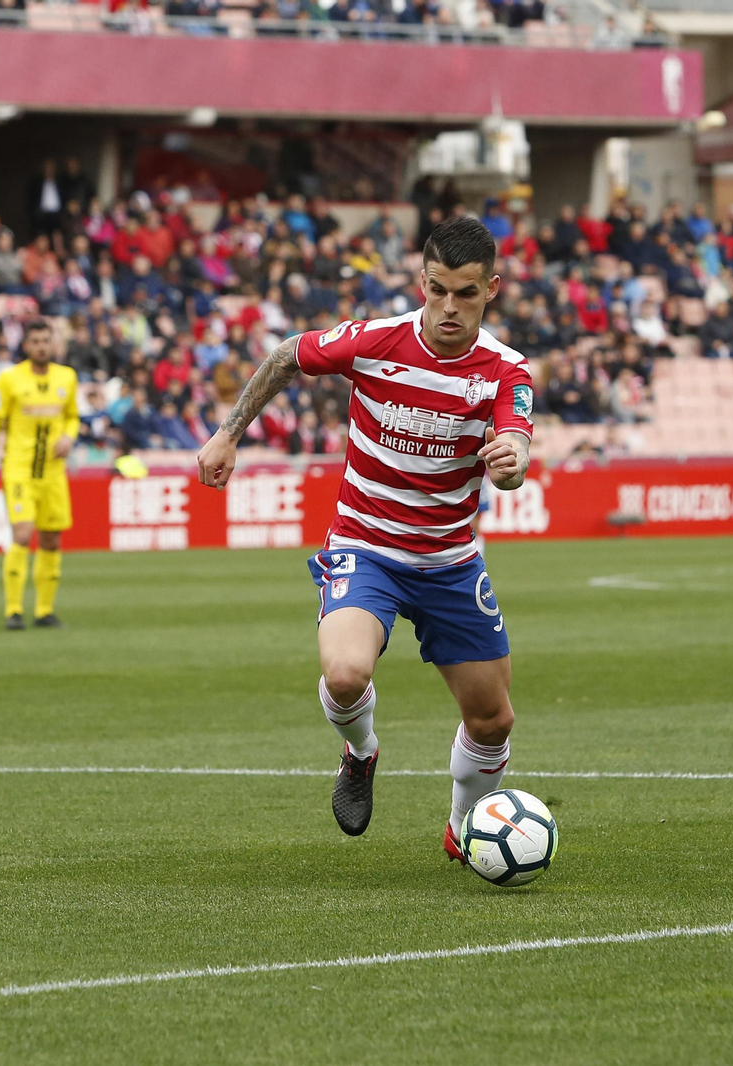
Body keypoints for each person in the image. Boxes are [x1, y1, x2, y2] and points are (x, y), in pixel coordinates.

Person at [195, 216, 535, 864]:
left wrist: (511, 460)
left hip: (449, 561)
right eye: (437, 289)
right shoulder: (376, 341)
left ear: (491, 288)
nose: (448, 308)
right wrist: (228, 432)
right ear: (421, 281)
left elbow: (514, 440)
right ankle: (361, 752)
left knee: (494, 720)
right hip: (367, 544)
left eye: (465, 293)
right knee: (346, 672)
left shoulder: (504, 370)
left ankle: (463, 827)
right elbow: (289, 352)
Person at [0, 319, 79, 630]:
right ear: (26, 346)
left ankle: (44, 611)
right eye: (34, 341)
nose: (41, 346)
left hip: (53, 472)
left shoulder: (67, 377)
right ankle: (13, 610)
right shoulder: (8, 380)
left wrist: (69, 436)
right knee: (22, 534)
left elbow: (72, 416)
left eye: (45, 341)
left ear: (53, 344)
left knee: (51, 539)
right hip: (19, 469)